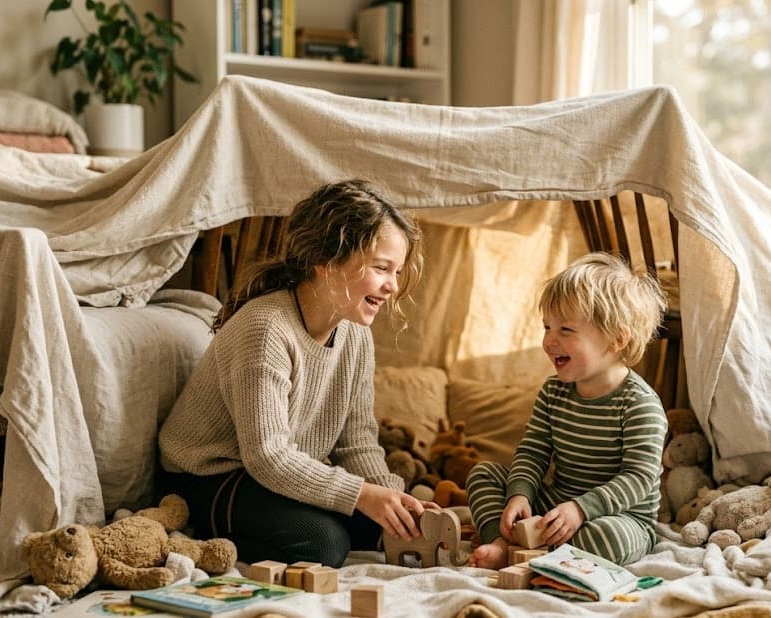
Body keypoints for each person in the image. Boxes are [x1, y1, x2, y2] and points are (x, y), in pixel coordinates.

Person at [158, 179, 435, 567]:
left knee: (379, 527)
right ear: (326, 261)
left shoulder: (357, 336)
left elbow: (356, 442)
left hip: (268, 473)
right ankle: (196, 540)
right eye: (381, 268)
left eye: (397, 271)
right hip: (207, 478)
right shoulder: (266, 329)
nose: (391, 286)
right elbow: (268, 456)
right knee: (324, 545)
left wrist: (394, 498)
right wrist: (360, 495)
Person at [466, 252, 668, 569]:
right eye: (547, 327)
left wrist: (581, 509)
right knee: (484, 474)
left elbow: (638, 478)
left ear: (616, 339)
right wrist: (520, 495)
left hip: (618, 515)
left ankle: (536, 551)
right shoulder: (553, 392)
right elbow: (533, 452)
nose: (549, 341)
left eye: (566, 330)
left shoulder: (640, 404)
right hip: (558, 505)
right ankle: (503, 543)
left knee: (609, 537)